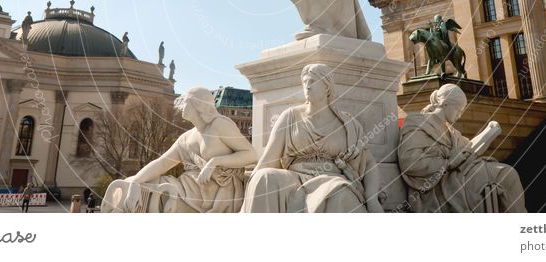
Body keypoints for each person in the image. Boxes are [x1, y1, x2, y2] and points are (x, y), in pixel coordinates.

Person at [241, 63, 383, 213]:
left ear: (327, 86)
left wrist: (372, 200)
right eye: (305, 82)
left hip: (330, 178)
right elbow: (268, 160)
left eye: (313, 82)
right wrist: (251, 185)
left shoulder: (348, 124)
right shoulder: (290, 117)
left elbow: (368, 164)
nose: (307, 87)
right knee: (265, 177)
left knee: (340, 194)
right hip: (294, 177)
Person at [102, 87, 257, 213]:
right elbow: (162, 163)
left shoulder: (219, 125)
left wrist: (215, 162)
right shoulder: (186, 138)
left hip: (216, 193)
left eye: (186, 101)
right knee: (131, 185)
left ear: (199, 105)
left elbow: (251, 155)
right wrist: (136, 180)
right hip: (187, 187)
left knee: (153, 196)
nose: (182, 105)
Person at [397, 84, 526, 212]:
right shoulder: (418, 123)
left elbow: (469, 147)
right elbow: (410, 163)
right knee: (506, 175)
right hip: (440, 184)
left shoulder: (450, 131)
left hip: (460, 174)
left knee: (506, 173)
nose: (459, 115)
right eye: (458, 110)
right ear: (445, 103)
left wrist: (488, 132)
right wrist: (448, 163)